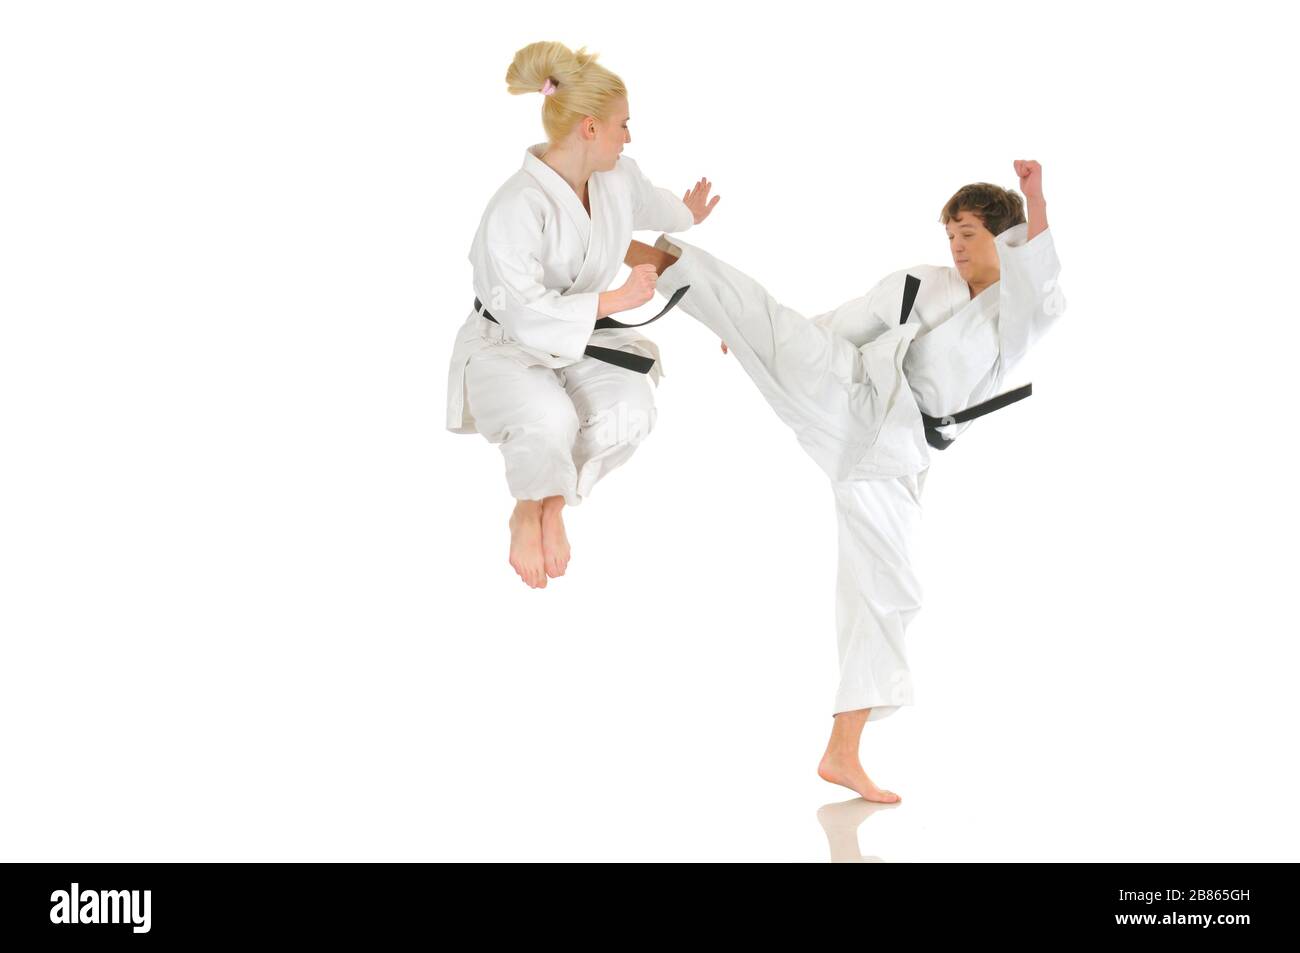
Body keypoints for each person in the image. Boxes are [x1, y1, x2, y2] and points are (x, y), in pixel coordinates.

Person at [625, 160, 1064, 802]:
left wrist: (1035, 196)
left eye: (969, 232)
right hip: (849, 392)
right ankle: (599, 241)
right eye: (951, 234)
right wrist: (757, 340)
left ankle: (842, 751)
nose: (957, 246)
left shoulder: (1018, 315)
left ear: (1005, 237)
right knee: (763, 315)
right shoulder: (920, 282)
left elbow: (1039, 278)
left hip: (898, 453)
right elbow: (847, 321)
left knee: (891, 591)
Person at [446, 41, 719, 589]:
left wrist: (686, 214)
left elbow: (653, 203)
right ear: (590, 129)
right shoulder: (516, 207)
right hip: (506, 347)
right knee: (551, 420)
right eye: (623, 124)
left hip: (577, 339)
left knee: (633, 412)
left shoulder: (617, 178)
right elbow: (522, 311)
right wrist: (615, 300)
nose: (630, 136)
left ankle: (553, 503)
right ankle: (528, 506)